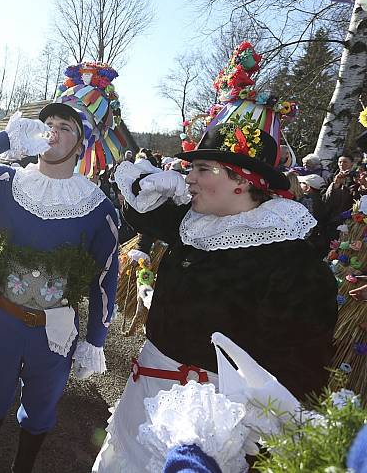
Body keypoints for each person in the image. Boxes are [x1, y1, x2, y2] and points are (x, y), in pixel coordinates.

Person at [93, 42, 337, 472]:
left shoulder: (290, 258)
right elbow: (138, 204)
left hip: (206, 431)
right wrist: (148, 184)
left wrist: (245, 442)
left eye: (203, 170)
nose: (188, 177)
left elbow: (299, 370)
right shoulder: (196, 222)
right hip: (142, 402)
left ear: (244, 183)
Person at [0, 63, 120, 473]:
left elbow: (104, 276)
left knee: (41, 407)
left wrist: (96, 337)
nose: (54, 132)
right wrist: (4, 138)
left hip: (55, 330)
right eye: (50, 123)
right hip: (3, 317)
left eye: (67, 128)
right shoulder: (9, 180)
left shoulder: (97, 206)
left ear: (82, 144)